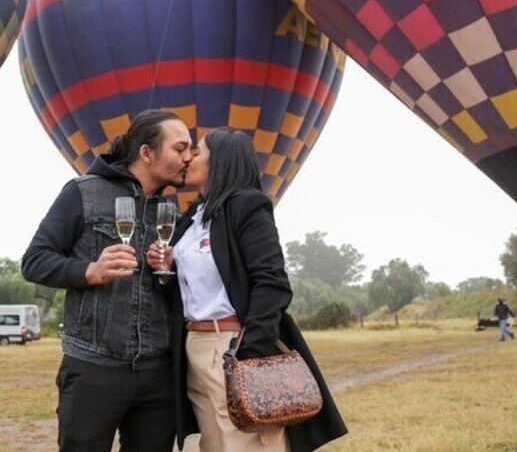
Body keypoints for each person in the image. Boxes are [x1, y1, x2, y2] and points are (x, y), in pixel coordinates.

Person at [148, 128, 347, 451]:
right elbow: (199, 284)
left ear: (220, 161)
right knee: (214, 444)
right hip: (194, 345)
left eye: (197, 152)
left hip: (230, 344)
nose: (188, 158)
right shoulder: (193, 218)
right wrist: (168, 269)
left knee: (249, 443)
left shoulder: (247, 206)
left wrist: (249, 350)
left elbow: (271, 282)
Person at [21, 109, 194, 452]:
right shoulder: (83, 193)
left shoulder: (171, 214)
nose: (189, 157)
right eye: (180, 148)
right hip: (93, 368)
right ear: (146, 152)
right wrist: (89, 271)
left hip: (157, 371)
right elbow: (34, 261)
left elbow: (177, 294)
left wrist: (169, 274)